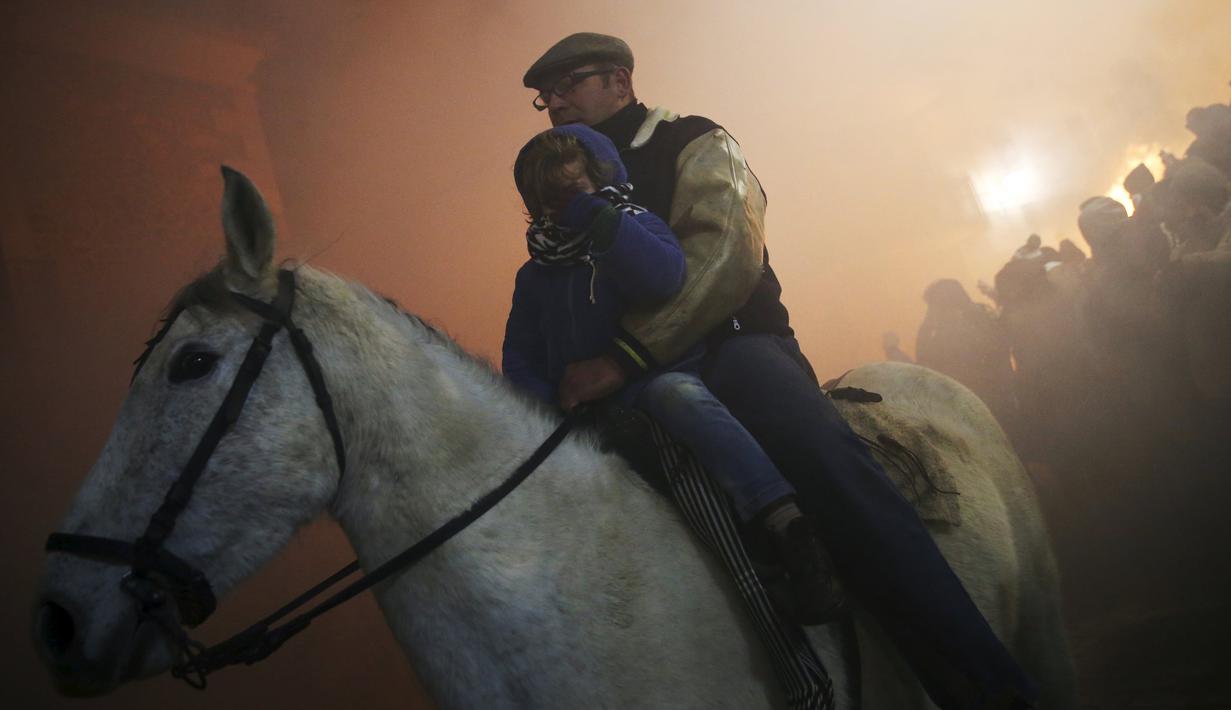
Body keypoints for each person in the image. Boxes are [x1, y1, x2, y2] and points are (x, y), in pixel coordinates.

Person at [519, 32, 1038, 710]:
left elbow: (723, 259)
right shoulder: (563, 181)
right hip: (634, 378)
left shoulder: (694, 141)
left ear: (619, 81)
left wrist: (622, 358)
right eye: (544, 96)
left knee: (828, 466)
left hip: (734, 347)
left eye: (568, 86)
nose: (553, 103)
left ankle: (989, 682)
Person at [501, 123, 843, 623]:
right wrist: (542, 403)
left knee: (680, 395)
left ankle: (784, 522)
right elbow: (520, 354)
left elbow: (663, 278)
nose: (564, 210)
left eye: (575, 192)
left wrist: (601, 221)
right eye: (552, 202)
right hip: (584, 414)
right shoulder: (536, 274)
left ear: (603, 181)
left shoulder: (638, 225)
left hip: (650, 385)